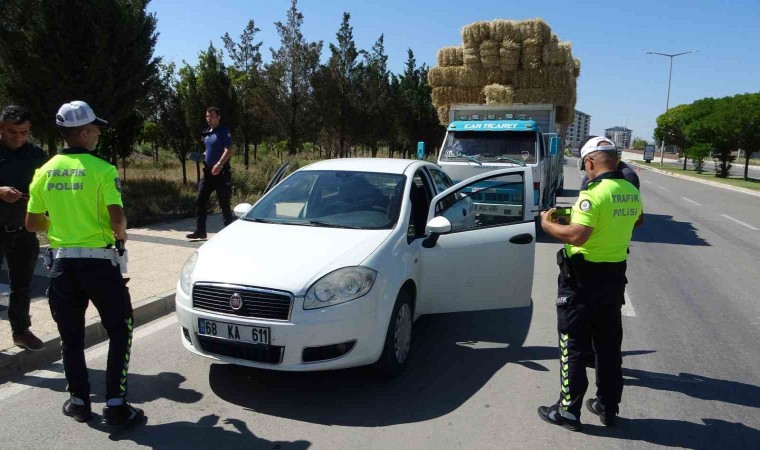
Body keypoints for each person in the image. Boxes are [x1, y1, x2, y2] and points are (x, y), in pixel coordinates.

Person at [25, 101, 143, 427]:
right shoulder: (103, 170)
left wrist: (63, 228)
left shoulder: (44, 171)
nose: (99, 135)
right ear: (84, 132)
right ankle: (116, 406)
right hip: (100, 265)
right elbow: (117, 220)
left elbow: (33, 223)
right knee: (120, 329)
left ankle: (78, 402)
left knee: (71, 336)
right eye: (96, 130)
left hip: (62, 267)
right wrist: (119, 235)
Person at [537, 136, 643, 431]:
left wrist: (547, 224)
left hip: (582, 282)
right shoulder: (630, 190)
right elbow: (637, 220)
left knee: (573, 345)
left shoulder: (592, 194)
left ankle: (568, 412)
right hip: (613, 280)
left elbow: (577, 236)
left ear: (590, 162)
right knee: (608, 346)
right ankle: (608, 407)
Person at [0, 105, 47, 351]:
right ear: (1, 128)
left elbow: (49, 186)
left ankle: (21, 331)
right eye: (11, 132)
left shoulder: (36, 154)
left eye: (24, 132)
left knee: (22, 284)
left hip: (23, 230)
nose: (18, 138)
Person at [186, 106, 234, 240]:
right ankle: (201, 231)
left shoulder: (223, 131)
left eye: (212, 116)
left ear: (218, 118)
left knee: (224, 203)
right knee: (200, 200)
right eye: (207, 116)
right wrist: (201, 156)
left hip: (221, 172)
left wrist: (219, 164)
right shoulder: (206, 133)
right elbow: (208, 151)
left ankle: (230, 233)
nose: (209, 118)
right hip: (208, 173)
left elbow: (228, 150)